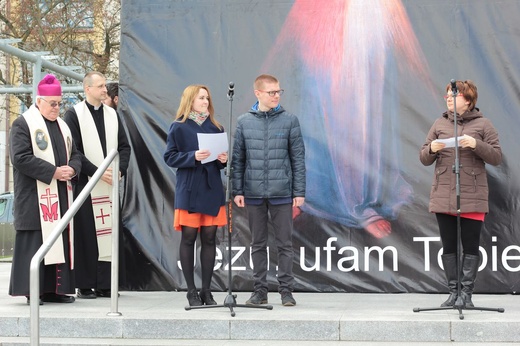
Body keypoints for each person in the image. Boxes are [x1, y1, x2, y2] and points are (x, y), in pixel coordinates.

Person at [419, 80, 502, 308]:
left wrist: (476, 144)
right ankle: (453, 293)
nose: (448, 98)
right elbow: (424, 158)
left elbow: (496, 157)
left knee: (471, 245)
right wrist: (431, 149)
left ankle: (466, 295)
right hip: (444, 193)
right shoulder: (439, 123)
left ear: (468, 100)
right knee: (449, 246)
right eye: (447, 95)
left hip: (473, 195)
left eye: (453, 95)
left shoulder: (484, 124)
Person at [232, 74, 306, 307]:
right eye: (271, 92)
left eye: (278, 92)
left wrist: (299, 191)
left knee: (284, 244)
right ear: (258, 93)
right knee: (257, 243)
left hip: (282, 193)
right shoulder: (244, 122)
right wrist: (237, 190)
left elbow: (298, 160)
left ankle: (286, 291)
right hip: (253, 193)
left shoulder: (290, 121)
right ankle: (259, 291)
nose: (276, 96)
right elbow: (238, 160)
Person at [9, 74, 81, 305]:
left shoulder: (63, 126)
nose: (57, 108)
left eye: (60, 103)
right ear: (39, 101)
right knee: (36, 242)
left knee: (57, 240)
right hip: (33, 198)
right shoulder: (23, 123)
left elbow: (76, 154)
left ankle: (55, 290)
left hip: (60, 195)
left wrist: (72, 169)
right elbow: (20, 158)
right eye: (53, 104)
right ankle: (33, 291)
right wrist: (53, 172)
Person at [63, 71, 131, 299]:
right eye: (100, 86)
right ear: (87, 89)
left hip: (110, 185)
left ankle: (106, 284)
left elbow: (124, 147)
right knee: (86, 235)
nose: (105, 90)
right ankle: (85, 284)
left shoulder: (113, 115)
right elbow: (74, 151)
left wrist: (120, 170)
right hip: (86, 186)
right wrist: (98, 173)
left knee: (108, 234)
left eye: (104, 86)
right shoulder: (73, 115)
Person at [164, 85, 228, 306]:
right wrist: (193, 156)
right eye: (201, 98)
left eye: (207, 98)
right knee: (189, 238)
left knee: (210, 239)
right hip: (190, 189)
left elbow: (222, 162)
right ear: (190, 100)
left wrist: (223, 160)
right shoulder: (178, 127)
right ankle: (191, 290)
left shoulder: (216, 127)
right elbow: (170, 157)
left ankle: (207, 290)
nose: (205, 101)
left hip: (212, 190)